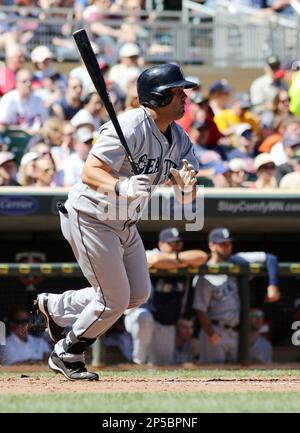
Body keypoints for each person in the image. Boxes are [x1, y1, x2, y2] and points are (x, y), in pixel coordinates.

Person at [33, 63, 200, 380]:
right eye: (177, 91)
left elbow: (186, 194)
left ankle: (55, 307)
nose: (184, 97)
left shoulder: (179, 138)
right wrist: (121, 185)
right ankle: (67, 352)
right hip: (91, 215)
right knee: (114, 298)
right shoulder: (128, 126)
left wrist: (186, 189)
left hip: (124, 223)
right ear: (158, 96)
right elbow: (89, 171)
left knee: (136, 295)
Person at [193, 227, 280, 364]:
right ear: (212, 245)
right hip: (216, 329)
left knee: (236, 375)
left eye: (229, 243)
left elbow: (270, 258)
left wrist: (273, 284)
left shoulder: (238, 260)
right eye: (223, 244)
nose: (228, 247)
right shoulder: (205, 273)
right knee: (213, 374)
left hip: (237, 331)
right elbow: (200, 309)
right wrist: (211, 333)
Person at [124, 227, 207, 365]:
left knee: (163, 365)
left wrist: (175, 259)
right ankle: (137, 362)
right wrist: (180, 260)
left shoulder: (181, 257)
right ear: (160, 244)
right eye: (172, 243)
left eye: (178, 243)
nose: (176, 246)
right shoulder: (149, 253)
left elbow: (202, 257)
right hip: (138, 316)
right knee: (145, 318)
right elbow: (156, 260)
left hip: (166, 322)